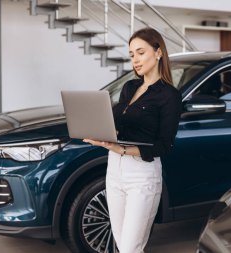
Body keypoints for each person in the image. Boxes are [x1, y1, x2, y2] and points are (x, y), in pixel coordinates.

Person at [83, 27, 182, 253]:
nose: (135, 60)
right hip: (114, 170)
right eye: (131, 55)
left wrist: (121, 149)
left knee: (130, 248)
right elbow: (121, 125)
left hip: (142, 175)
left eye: (140, 52)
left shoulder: (169, 96)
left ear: (158, 53)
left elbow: (164, 146)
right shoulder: (130, 87)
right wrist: (103, 133)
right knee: (121, 243)